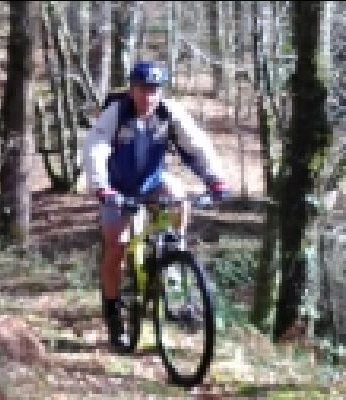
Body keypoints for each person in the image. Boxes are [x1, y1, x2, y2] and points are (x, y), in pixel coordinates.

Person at [79, 61, 230, 353]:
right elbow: (95, 147)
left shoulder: (169, 113)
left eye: (153, 90)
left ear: (160, 92)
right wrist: (101, 187)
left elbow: (197, 143)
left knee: (177, 192)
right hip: (116, 188)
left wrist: (216, 179)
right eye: (141, 89)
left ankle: (172, 256)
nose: (147, 96)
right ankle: (113, 315)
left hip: (152, 182)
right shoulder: (117, 113)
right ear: (131, 89)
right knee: (117, 246)